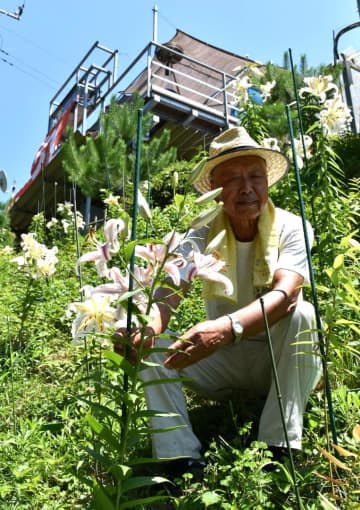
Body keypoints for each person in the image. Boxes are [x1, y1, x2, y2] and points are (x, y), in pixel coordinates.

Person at [120, 126, 322, 469]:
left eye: (255, 176)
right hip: (220, 362)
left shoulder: (291, 226)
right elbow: (168, 294)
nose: (246, 188)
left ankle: (278, 444)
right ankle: (179, 455)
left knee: (304, 313)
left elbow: (287, 294)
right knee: (150, 339)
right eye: (232, 179)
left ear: (267, 183)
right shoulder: (199, 233)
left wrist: (227, 328)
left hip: (275, 360)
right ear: (215, 192)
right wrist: (147, 327)